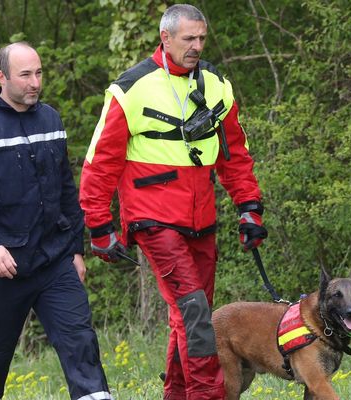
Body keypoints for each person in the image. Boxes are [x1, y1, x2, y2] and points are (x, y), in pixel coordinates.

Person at [79, 4, 267, 400]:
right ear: (165, 38)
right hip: (153, 219)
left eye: (201, 38)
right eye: (188, 39)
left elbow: (234, 152)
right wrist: (99, 226)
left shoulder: (217, 84)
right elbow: (100, 164)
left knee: (191, 316)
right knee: (196, 314)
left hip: (201, 221)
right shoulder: (130, 89)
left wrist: (249, 207)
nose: (197, 46)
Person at [0, 42, 112, 400]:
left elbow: (66, 191)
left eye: (38, 73)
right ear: (1, 77)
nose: (35, 82)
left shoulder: (50, 119)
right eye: (25, 75)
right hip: (0, 271)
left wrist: (76, 251)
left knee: (82, 345)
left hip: (54, 262)